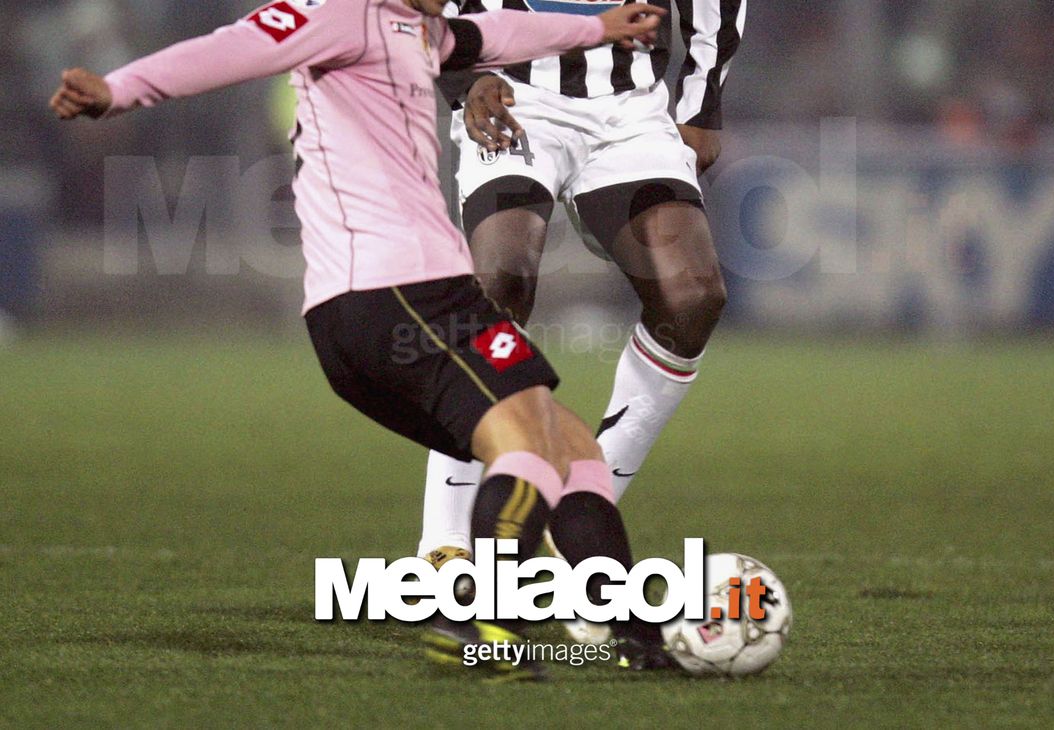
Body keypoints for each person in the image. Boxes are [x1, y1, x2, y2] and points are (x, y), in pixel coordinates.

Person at [50, 0, 674, 678]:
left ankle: (637, 636)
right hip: (391, 294)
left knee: (570, 447)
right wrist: (117, 91)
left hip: (415, 299)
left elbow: (496, 33)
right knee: (527, 440)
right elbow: (231, 48)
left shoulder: (424, 30)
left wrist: (597, 29)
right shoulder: (343, 14)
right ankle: (480, 622)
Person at [416, 0, 747, 605]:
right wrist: (463, 76)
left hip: (631, 109)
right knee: (498, 284)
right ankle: (444, 540)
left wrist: (703, 103)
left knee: (693, 297)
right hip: (509, 92)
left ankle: (577, 514)